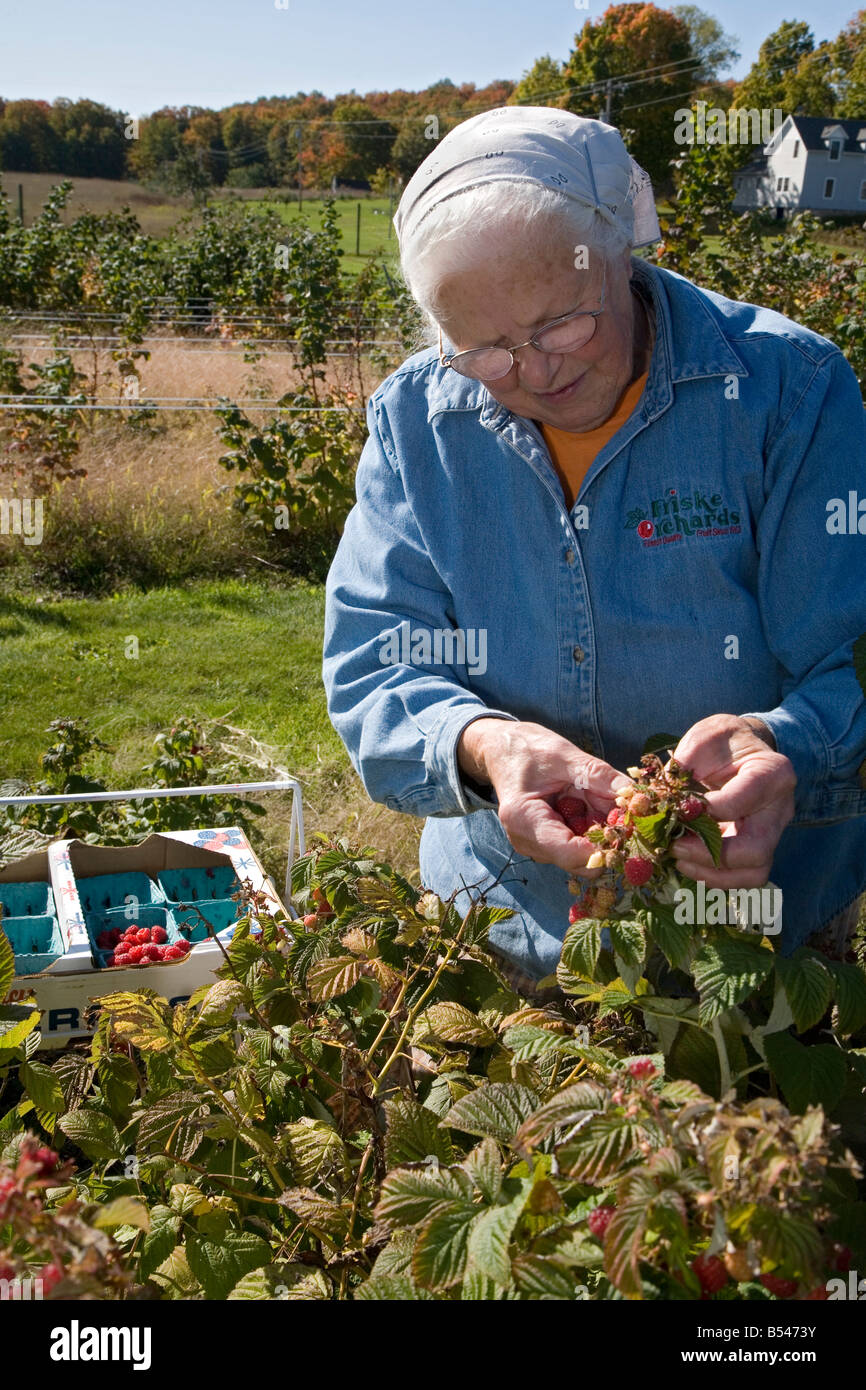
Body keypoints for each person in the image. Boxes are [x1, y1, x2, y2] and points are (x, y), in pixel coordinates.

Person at [322, 106, 866, 990]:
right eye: (485, 351)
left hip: (756, 932)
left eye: (564, 325)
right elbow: (373, 661)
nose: (536, 371)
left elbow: (852, 656)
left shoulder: (786, 391)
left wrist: (783, 748)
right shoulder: (417, 423)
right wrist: (486, 746)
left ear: (623, 251)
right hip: (507, 922)